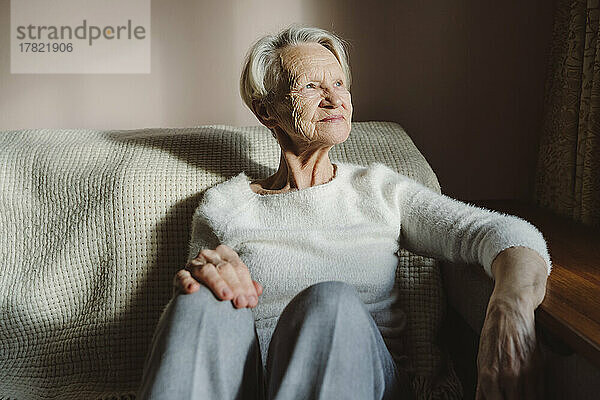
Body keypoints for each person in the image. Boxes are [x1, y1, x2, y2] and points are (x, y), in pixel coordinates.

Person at [137, 26, 551, 400]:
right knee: (199, 301)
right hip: (251, 382)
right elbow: (205, 310)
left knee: (328, 301)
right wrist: (205, 273)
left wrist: (509, 306)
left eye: (339, 83)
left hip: (361, 378)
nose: (336, 98)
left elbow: (503, 233)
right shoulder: (225, 205)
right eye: (313, 85)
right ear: (267, 111)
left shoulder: (379, 190)